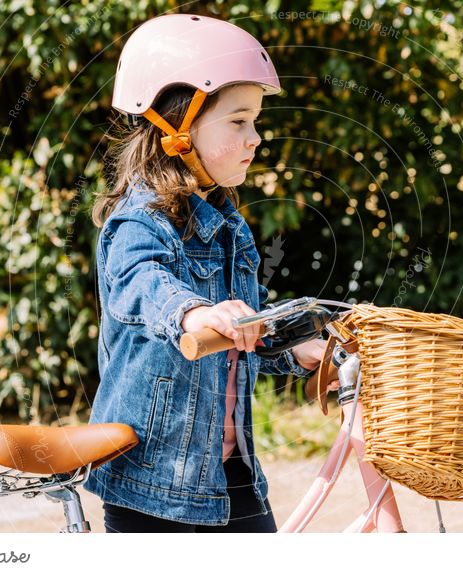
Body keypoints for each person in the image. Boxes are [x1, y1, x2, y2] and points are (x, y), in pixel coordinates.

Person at [85, 13, 329, 532]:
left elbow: (247, 325)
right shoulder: (137, 223)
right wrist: (195, 312)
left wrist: (295, 345)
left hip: (230, 474)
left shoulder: (227, 225)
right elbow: (142, 284)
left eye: (256, 121)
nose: (256, 137)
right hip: (156, 485)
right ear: (177, 129)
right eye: (238, 121)